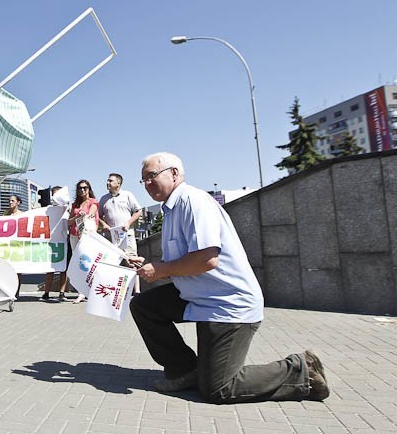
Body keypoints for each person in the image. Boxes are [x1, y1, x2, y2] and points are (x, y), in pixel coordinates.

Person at [127, 152, 329, 404]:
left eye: (151, 177)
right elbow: (182, 260)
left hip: (227, 303)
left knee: (219, 388)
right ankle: (185, 370)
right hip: (199, 297)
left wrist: (160, 270)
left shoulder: (193, 201)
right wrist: (151, 266)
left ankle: (301, 370)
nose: (147, 184)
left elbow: (206, 259)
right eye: (143, 180)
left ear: (174, 173)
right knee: (144, 306)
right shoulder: (170, 210)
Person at [98, 173, 143, 294]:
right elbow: (98, 216)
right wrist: (104, 225)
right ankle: (114, 291)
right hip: (111, 237)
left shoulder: (127, 195)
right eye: (107, 181)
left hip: (127, 235)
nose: (108, 183)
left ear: (118, 183)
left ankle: (137, 291)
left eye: (111, 181)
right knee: (112, 264)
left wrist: (128, 223)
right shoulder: (103, 199)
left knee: (132, 262)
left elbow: (138, 211)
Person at [68, 179, 99, 304]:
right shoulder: (74, 204)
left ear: (89, 189)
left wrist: (85, 216)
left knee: (88, 263)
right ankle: (81, 291)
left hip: (87, 236)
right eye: (80, 188)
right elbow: (69, 222)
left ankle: (88, 291)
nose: (82, 190)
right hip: (74, 235)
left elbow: (91, 214)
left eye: (85, 188)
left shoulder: (93, 202)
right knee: (78, 263)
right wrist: (77, 216)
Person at [40, 186, 69, 302]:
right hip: (51, 242)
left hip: (64, 241)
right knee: (50, 269)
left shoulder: (67, 209)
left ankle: (62, 292)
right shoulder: (48, 209)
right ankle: (46, 292)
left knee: (63, 270)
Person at [3, 195, 23, 298]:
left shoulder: (22, 215)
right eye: (9, 200)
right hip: (7, 245)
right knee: (7, 268)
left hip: (17, 245)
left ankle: (17, 291)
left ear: (18, 202)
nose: (10, 202)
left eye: (13, 201)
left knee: (18, 269)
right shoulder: (6, 214)